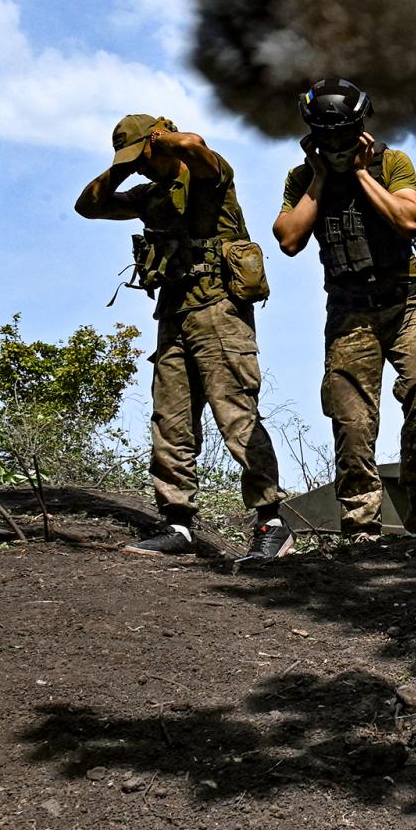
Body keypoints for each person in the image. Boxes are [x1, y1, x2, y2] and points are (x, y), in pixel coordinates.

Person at [75, 115, 292, 563]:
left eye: (141, 157)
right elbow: (88, 206)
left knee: (236, 416)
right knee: (169, 421)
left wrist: (164, 141)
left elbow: (193, 145)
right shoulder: (148, 195)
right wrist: (122, 167)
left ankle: (272, 522)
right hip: (173, 313)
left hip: (220, 312)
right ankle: (178, 524)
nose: (139, 168)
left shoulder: (208, 176)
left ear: (159, 142)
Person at [271, 79, 416, 539]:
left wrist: (363, 174)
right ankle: (360, 526)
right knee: (351, 418)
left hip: (405, 304)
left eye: (343, 136)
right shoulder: (301, 179)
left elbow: (408, 220)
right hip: (350, 313)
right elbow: (289, 238)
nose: (335, 145)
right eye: (326, 138)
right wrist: (324, 177)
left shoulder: (392, 163)